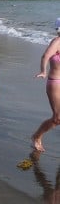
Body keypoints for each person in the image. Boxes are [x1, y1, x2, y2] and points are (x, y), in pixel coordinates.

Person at [31, 17, 60, 152]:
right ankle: (36, 136)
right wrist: (43, 71)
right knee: (57, 118)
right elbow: (45, 56)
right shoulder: (57, 42)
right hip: (56, 83)